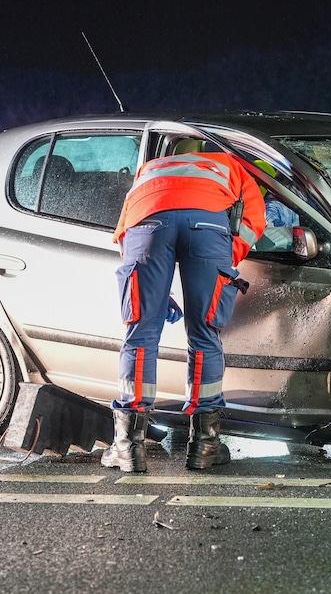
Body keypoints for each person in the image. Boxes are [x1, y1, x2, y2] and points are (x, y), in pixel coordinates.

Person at [102, 146, 266, 473]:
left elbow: (124, 232)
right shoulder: (229, 164)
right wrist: (225, 257)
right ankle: (205, 446)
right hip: (208, 230)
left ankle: (128, 448)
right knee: (205, 336)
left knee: (140, 335)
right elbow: (254, 218)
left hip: (147, 224)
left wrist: (155, 293)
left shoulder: (150, 168)